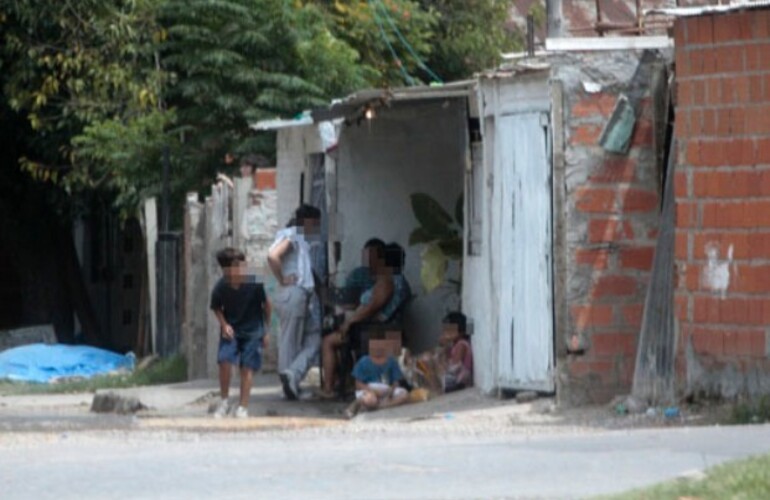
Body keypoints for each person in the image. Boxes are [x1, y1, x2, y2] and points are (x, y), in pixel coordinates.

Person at [319, 241, 411, 398]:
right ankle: (343, 383)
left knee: (328, 341)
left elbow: (372, 307)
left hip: (376, 330)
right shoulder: (400, 281)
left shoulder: (388, 281)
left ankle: (330, 388)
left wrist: (350, 322)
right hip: (382, 327)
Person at [268, 204, 323, 400]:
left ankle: (292, 377)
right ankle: (290, 386)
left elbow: (304, 270)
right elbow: (273, 256)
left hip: (296, 296)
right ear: (306, 221)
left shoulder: (298, 238)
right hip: (293, 293)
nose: (317, 227)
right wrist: (282, 278)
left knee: (313, 339)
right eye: (315, 222)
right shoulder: (293, 235)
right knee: (290, 342)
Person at [210, 248, 270, 418]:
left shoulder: (254, 282)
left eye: (243, 264)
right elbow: (216, 307)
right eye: (238, 265)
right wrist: (223, 324)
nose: (243, 267)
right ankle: (224, 402)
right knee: (224, 361)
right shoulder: (221, 286)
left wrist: (266, 331)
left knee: (247, 368)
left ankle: (243, 407)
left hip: (253, 331)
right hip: (232, 331)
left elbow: (267, 305)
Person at [344, 339, 409, 419]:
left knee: (404, 395)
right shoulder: (363, 361)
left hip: (386, 389)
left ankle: (378, 407)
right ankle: (358, 403)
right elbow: (358, 384)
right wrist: (373, 391)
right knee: (371, 400)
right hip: (369, 389)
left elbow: (396, 382)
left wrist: (390, 392)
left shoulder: (391, 361)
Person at [440, 311, 473, 392]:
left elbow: (455, 367)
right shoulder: (455, 345)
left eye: (449, 330)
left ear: (460, 331)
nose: (446, 333)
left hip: (459, 379)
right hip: (455, 377)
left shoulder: (461, 345)